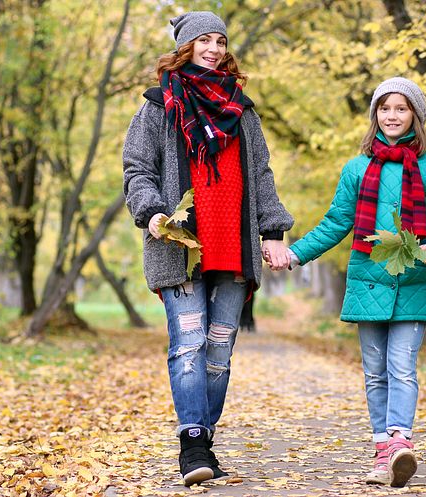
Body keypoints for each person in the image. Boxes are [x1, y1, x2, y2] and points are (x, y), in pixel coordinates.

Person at [122, 11, 293, 487]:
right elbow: (137, 168)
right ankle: (192, 444)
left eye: (220, 40)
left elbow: (261, 174)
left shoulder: (244, 110)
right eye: (204, 40)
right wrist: (152, 211)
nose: (214, 48)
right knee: (189, 345)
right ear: (186, 47)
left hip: (233, 248)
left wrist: (273, 230)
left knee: (220, 350)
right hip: (179, 247)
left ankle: (204, 441)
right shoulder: (159, 107)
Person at [288, 77, 426, 487]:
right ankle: (384, 453)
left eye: (401, 108)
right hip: (368, 283)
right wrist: (296, 254)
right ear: (375, 115)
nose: (393, 116)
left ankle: (401, 441)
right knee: (375, 373)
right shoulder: (357, 168)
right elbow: (335, 224)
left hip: (413, 280)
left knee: (401, 367)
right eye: (385, 108)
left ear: (415, 115)